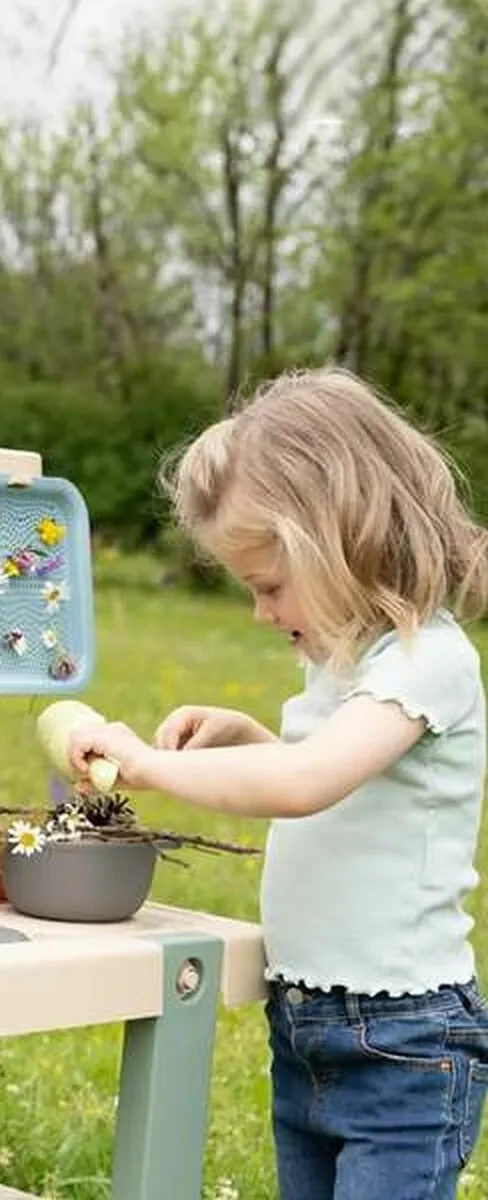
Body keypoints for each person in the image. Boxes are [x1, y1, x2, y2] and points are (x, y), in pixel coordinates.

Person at [66, 367, 488, 1199]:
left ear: (339, 541)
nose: (261, 612)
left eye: (268, 585)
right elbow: (340, 785)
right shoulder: (340, 664)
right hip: (305, 1026)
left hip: (401, 1043)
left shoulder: (428, 658)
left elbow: (306, 782)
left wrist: (150, 766)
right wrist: (247, 735)